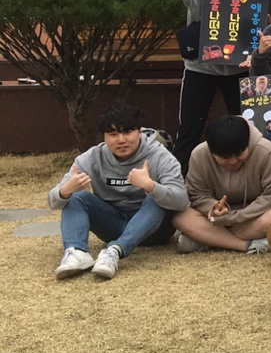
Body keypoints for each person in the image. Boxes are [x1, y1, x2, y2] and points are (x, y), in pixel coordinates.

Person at [49, 104, 186, 280]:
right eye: (113, 134)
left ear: (139, 132)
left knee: (155, 195)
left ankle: (115, 251)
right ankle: (77, 252)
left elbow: (181, 200)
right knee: (77, 197)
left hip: (154, 230)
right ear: (104, 136)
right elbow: (53, 201)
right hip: (113, 224)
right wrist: (66, 190)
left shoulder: (160, 156)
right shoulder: (91, 157)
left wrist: (150, 186)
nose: (121, 140)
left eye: (127, 132)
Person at [162, 0, 257, 173]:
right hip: (201, 68)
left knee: (247, 126)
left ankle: (249, 174)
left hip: (238, 69)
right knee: (190, 127)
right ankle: (178, 178)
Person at [172, 116, 271, 253]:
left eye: (239, 154)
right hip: (218, 218)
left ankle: (206, 239)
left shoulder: (266, 150)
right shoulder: (199, 154)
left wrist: (235, 217)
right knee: (181, 216)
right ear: (211, 152)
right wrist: (213, 207)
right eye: (224, 158)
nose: (233, 161)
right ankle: (246, 245)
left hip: (258, 214)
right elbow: (197, 195)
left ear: (248, 143)